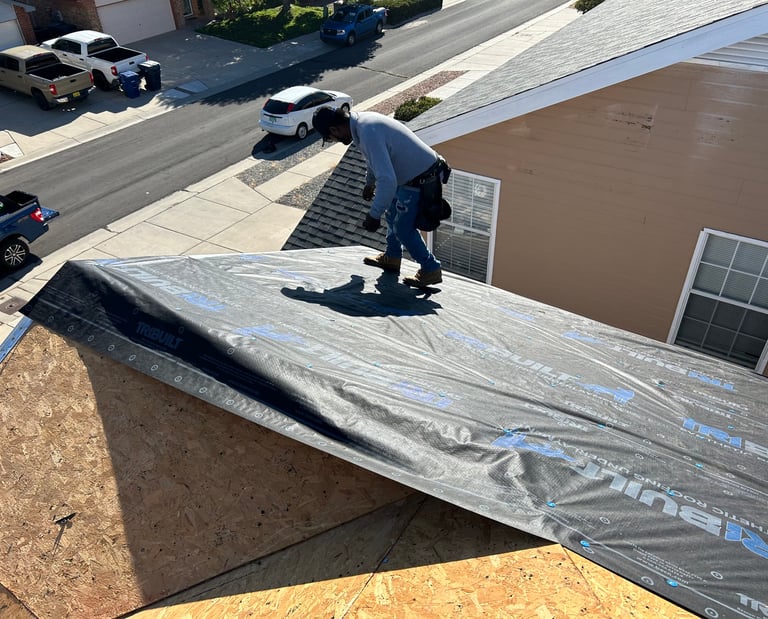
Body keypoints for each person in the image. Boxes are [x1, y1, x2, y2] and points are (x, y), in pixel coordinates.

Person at [311, 106, 446, 287]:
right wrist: (370, 182)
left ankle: (431, 268)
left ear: (334, 130)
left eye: (330, 138)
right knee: (391, 214)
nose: (333, 140)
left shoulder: (367, 132)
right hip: (409, 177)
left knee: (403, 228)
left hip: (421, 179)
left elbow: (388, 180)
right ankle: (392, 257)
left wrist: (373, 215)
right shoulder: (361, 124)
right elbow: (376, 159)